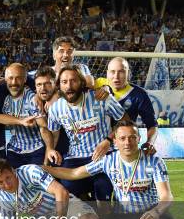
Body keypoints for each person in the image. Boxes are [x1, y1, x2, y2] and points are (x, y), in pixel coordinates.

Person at [43, 120, 175, 219]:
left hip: (149, 212)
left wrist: (155, 212)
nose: (127, 142)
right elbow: (74, 173)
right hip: (124, 215)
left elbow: (166, 196)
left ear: (139, 138)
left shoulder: (155, 161)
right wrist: (44, 169)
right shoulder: (108, 161)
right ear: (115, 141)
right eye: (123, 138)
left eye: (132, 137)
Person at [47, 65, 128, 204]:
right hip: (75, 158)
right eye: (64, 82)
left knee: (102, 190)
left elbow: (126, 121)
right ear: (58, 86)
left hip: (104, 156)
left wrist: (108, 140)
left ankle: (107, 218)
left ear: (81, 82)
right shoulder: (56, 108)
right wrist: (49, 148)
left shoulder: (101, 98)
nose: (69, 86)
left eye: (73, 81)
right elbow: (53, 133)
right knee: (68, 189)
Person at [95, 57, 158, 154]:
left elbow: (152, 125)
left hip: (123, 148)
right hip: (96, 146)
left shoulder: (139, 95)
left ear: (128, 73)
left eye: (121, 72)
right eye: (112, 72)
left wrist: (150, 142)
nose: (116, 76)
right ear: (107, 73)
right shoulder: (96, 85)